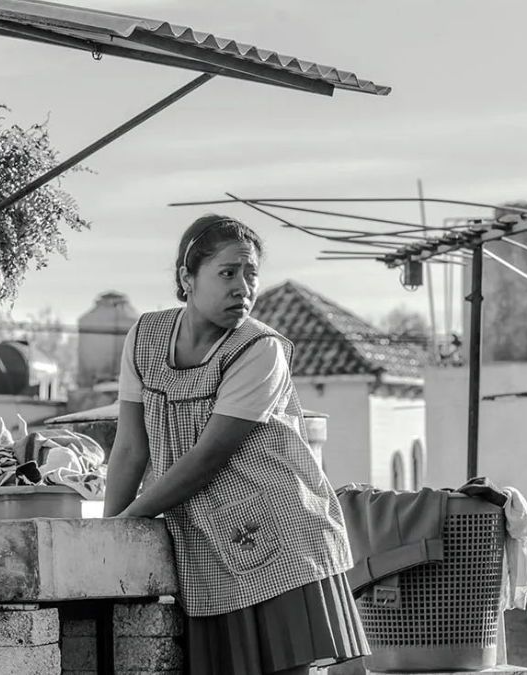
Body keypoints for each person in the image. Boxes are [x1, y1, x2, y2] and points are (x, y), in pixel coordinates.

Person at [103, 215, 369, 675]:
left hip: (282, 537)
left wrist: (131, 518)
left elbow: (207, 458)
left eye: (251, 274)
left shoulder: (259, 349)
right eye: (227, 273)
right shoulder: (143, 338)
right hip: (207, 546)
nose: (242, 288)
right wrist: (106, 536)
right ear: (187, 279)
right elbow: (130, 447)